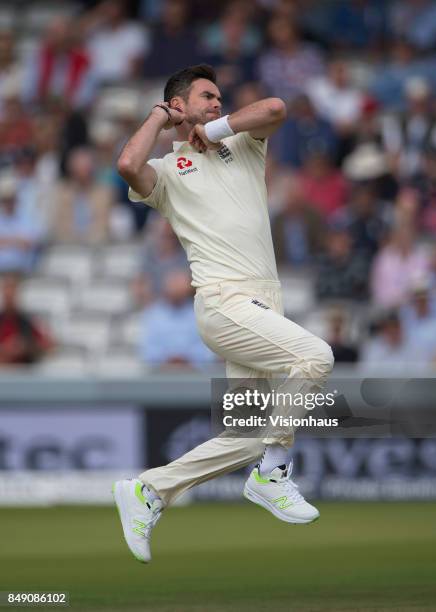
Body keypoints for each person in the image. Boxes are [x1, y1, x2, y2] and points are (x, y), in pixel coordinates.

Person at [113, 64, 334, 563]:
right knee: (316, 357)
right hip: (222, 301)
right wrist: (158, 116)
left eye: (219, 97)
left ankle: (149, 491)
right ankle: (272, 473)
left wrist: (214, 127)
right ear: (178, 104)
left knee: (244, 435)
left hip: (262, 300)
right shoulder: (169, 172)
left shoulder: (242, 142)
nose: (217, 102)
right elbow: (128, 164)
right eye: (206, 97)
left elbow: (276, 109)